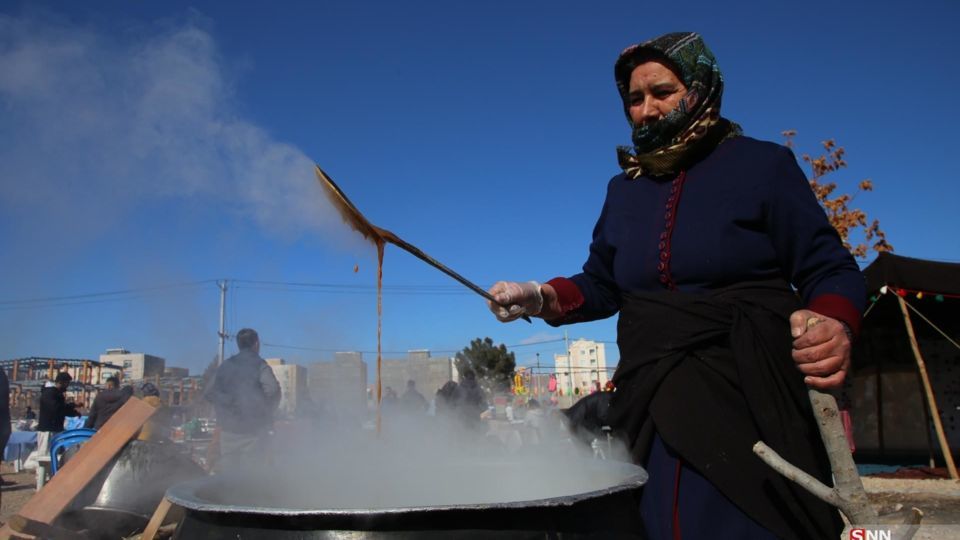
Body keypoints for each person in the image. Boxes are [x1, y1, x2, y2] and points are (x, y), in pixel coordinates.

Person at [487, 32, 862, 540]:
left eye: (662, 92)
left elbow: (829, 267)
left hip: (750, 392)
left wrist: (833, 323)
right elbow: (601, 282)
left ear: (701, 87)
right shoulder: (624, 191)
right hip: (653, 397)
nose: (646, 110)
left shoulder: (763, 166)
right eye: (634, 100)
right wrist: (539, 295)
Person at [205, 328, 281, 472]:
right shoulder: (260, 365)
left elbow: (209, 392)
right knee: (251, 477)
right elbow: (273, 390)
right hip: (253, 432)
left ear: (238, 345)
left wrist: (226, 406)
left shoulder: (225, 366)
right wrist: (263, 410)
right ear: (256, 344)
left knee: (228, 476)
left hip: (228, 432)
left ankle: (229, 494)